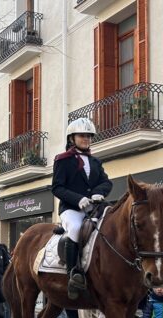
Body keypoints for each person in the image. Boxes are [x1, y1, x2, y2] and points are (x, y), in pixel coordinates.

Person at [51, 117, 112, 299]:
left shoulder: (95, 162)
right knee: (76, 229)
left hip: (93, 207)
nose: (86, 139)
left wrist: (98, 193)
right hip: (71, 208)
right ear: (72, 138)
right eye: (82, 135)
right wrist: (78, 200)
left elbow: (106, 182)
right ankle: (73, 274)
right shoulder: (62, 160)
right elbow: (57, 188)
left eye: (89, 136)